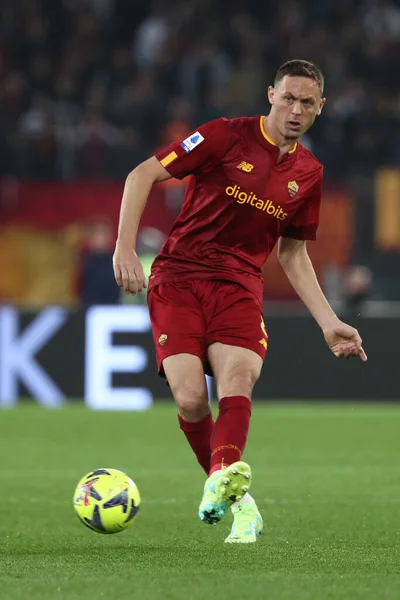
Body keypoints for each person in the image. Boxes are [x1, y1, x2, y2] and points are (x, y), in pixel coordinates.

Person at [113, 60, 368, 544]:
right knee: (190, 398)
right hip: (180, 275)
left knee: (239, 379)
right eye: (288, 98)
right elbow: (141, 175)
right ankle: (241, 502)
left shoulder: (309, 175)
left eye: (307, 102)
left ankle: (223, 486)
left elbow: (292, 254)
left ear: (321, 108)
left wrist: (329, 322)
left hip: (238, 285)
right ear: (271, 94)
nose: (295, 110)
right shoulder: (223, 136)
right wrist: (124, 247)